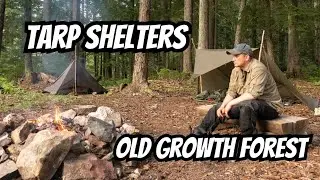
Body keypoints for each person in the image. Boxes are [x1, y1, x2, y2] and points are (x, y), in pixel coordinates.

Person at [193, 43, 283, 135]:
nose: (233, 59)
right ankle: (199, 133)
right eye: (233, 56)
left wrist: (231, 103)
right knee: (218, 107)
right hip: (248, 106)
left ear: (247, 57)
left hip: (270, 108)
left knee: (247, 105)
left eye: (236, 56)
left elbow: (253, 95)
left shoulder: (258, 69)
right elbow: (231, 92)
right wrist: (224, 105)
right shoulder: (236, 70)